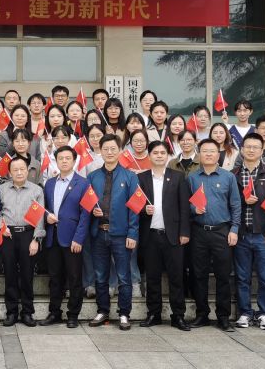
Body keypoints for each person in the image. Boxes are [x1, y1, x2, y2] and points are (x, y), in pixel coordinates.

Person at [187, 139, 241, 331]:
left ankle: (223, 316)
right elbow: (185, 204)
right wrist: (193, 209)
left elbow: (236, 205)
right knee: (198, 275)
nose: (208, 154)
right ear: (199, 154)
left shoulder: (228, 177)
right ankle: (202, 314)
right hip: (199, 232)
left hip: (221, 232)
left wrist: (234, 229)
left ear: (218, 155)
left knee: (223, 276)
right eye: (204, 151)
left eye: (212, 151)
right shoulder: (192, 178)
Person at [88, 134, 140, 330]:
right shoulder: (92, 177)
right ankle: (103, 311)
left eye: (113, 149)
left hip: (121, 234)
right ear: (100, 151)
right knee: (100, 275)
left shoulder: (130, 177)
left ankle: (124, 313)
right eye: (105, 149)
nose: (109, 152)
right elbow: (86, 204)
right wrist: (92, 211)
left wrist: (132, 233)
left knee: (124, 276)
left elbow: (135, 208)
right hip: (99, 232)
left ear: (120, 151)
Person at [138, 140, 192, 330]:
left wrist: (184, 232)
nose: (159, 156)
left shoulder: (178, 177)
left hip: (174, 235)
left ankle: (178, 315)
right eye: (155, 153)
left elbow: (184, 207)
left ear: (168, 156)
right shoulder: (141, 178)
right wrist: (144, 210)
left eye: (162, 153)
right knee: (152, 277)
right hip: (150, 236)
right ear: (149, 156)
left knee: (176, 277)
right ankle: (154, 314)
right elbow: (135, 206)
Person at [231, 134, 265, 331]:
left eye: (255, 147)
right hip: (241, 234)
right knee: (242, 277)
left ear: (262, 151)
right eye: (248, 147)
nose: (251, 150)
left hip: (263, 234)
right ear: (242, 150)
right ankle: (245, 312)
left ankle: (264, 314)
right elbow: (231, 203)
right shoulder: (234, 174)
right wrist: (244, 202)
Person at [41, 146, 91, 328]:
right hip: (53, 236)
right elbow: (44, 207)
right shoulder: (49, 184)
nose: (64, 161)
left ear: (74, 161)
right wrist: (46, 215)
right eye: (60, 158)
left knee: (74, 277)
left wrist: (79, 238)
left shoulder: (83, 183)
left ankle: (73, 314)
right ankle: (54, 312)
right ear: (56, 161)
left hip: (72, 238)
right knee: (54, 277)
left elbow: (86, 213)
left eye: (67, 158)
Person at [0, 155, 45, 327]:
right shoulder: (2, 189)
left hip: (28, 234)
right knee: (9, 274)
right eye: (15, 170)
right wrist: (1, 227)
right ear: (9, 173)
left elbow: (40, 216)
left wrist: (36, 239)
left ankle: (27, 312)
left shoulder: (36, 190)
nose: (19, 172)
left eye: (22, 169)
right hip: (8, 235)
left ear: (27, 171)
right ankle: (11, 312)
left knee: (27, 275)